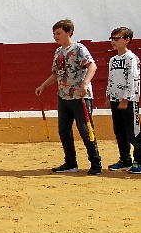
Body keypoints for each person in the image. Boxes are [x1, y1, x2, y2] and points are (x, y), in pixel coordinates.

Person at [35, 19, 102, 175]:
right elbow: (56, 73)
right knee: (64, 131)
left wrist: (85, 83)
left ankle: (96, 163)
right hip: (64, 96)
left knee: (85, 130)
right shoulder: (58, 52)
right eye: (54, 33)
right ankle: (71, 163)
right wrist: (43, 86)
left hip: (80, 97)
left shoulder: (79, 48)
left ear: (69, 32)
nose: (55, 36)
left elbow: (92, 66)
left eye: (58, 33)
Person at [105, 27, 141, 173]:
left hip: (129, 100)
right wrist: (109, 96)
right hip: (115, 99)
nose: (113, 42)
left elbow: (133, 80)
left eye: (116, 39)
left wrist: (126, 98)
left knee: (134, 132)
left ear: (127, 40)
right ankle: (125, 159)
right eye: (112, 39)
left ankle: (140, 161)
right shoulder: (113, 59)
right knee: (119, 131)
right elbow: (111, 79)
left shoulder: (131, 58)